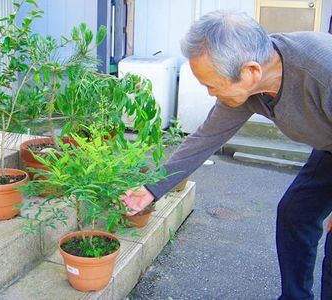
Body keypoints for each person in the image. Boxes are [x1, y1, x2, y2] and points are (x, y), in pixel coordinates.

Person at [121, 10, 332, 300]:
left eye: (212, 85)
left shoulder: (322, 71)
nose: (209, 93)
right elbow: (205, 138)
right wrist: (151, 188)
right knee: (295, 213)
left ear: (250, 72)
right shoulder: (247, 90)